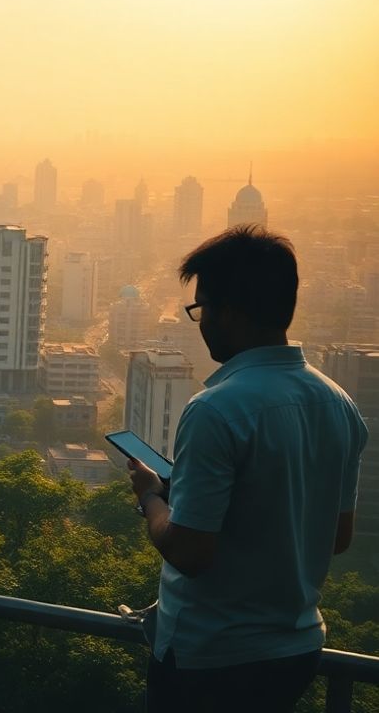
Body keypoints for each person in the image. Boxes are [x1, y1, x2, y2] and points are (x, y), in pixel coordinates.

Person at [126, 226, 368, 713]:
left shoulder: (216, 410)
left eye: (201, 310)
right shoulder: (338, 403)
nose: (200, 323)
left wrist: (152, 497)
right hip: (295, 652)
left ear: (228, 313)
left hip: (212, 660)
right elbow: (336, 537)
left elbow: (191, 552)